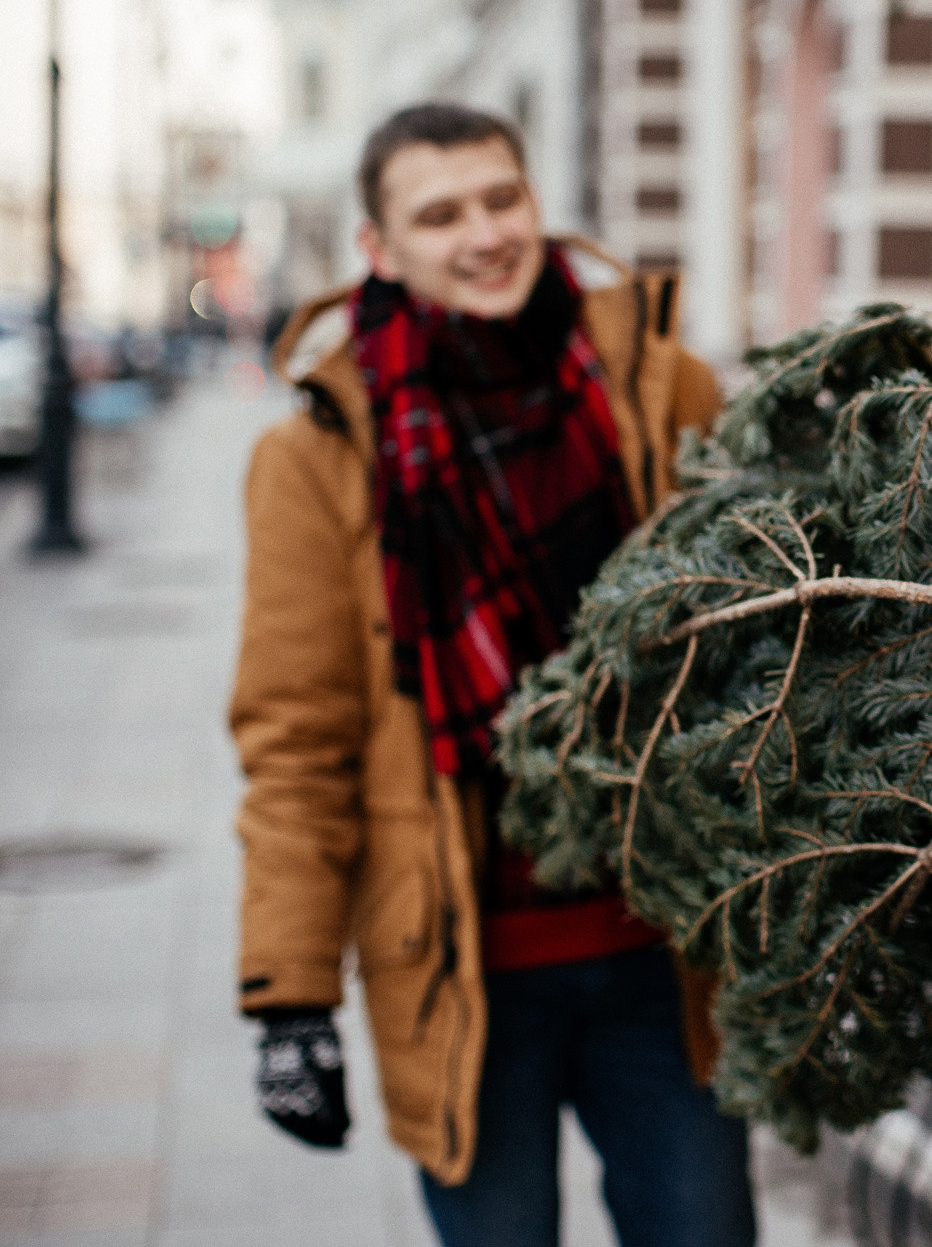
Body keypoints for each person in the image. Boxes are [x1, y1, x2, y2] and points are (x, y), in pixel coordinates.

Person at [231, 102, 755, 1247]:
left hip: (657, 949)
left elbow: (755, 647)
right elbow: (296, 733)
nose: (483, 233)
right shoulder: (318, 452)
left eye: (501, 199)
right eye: (439, 213)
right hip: (462, 964)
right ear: (378, 248)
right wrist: (290, 998)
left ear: (535, 202)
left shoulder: (662, 388)